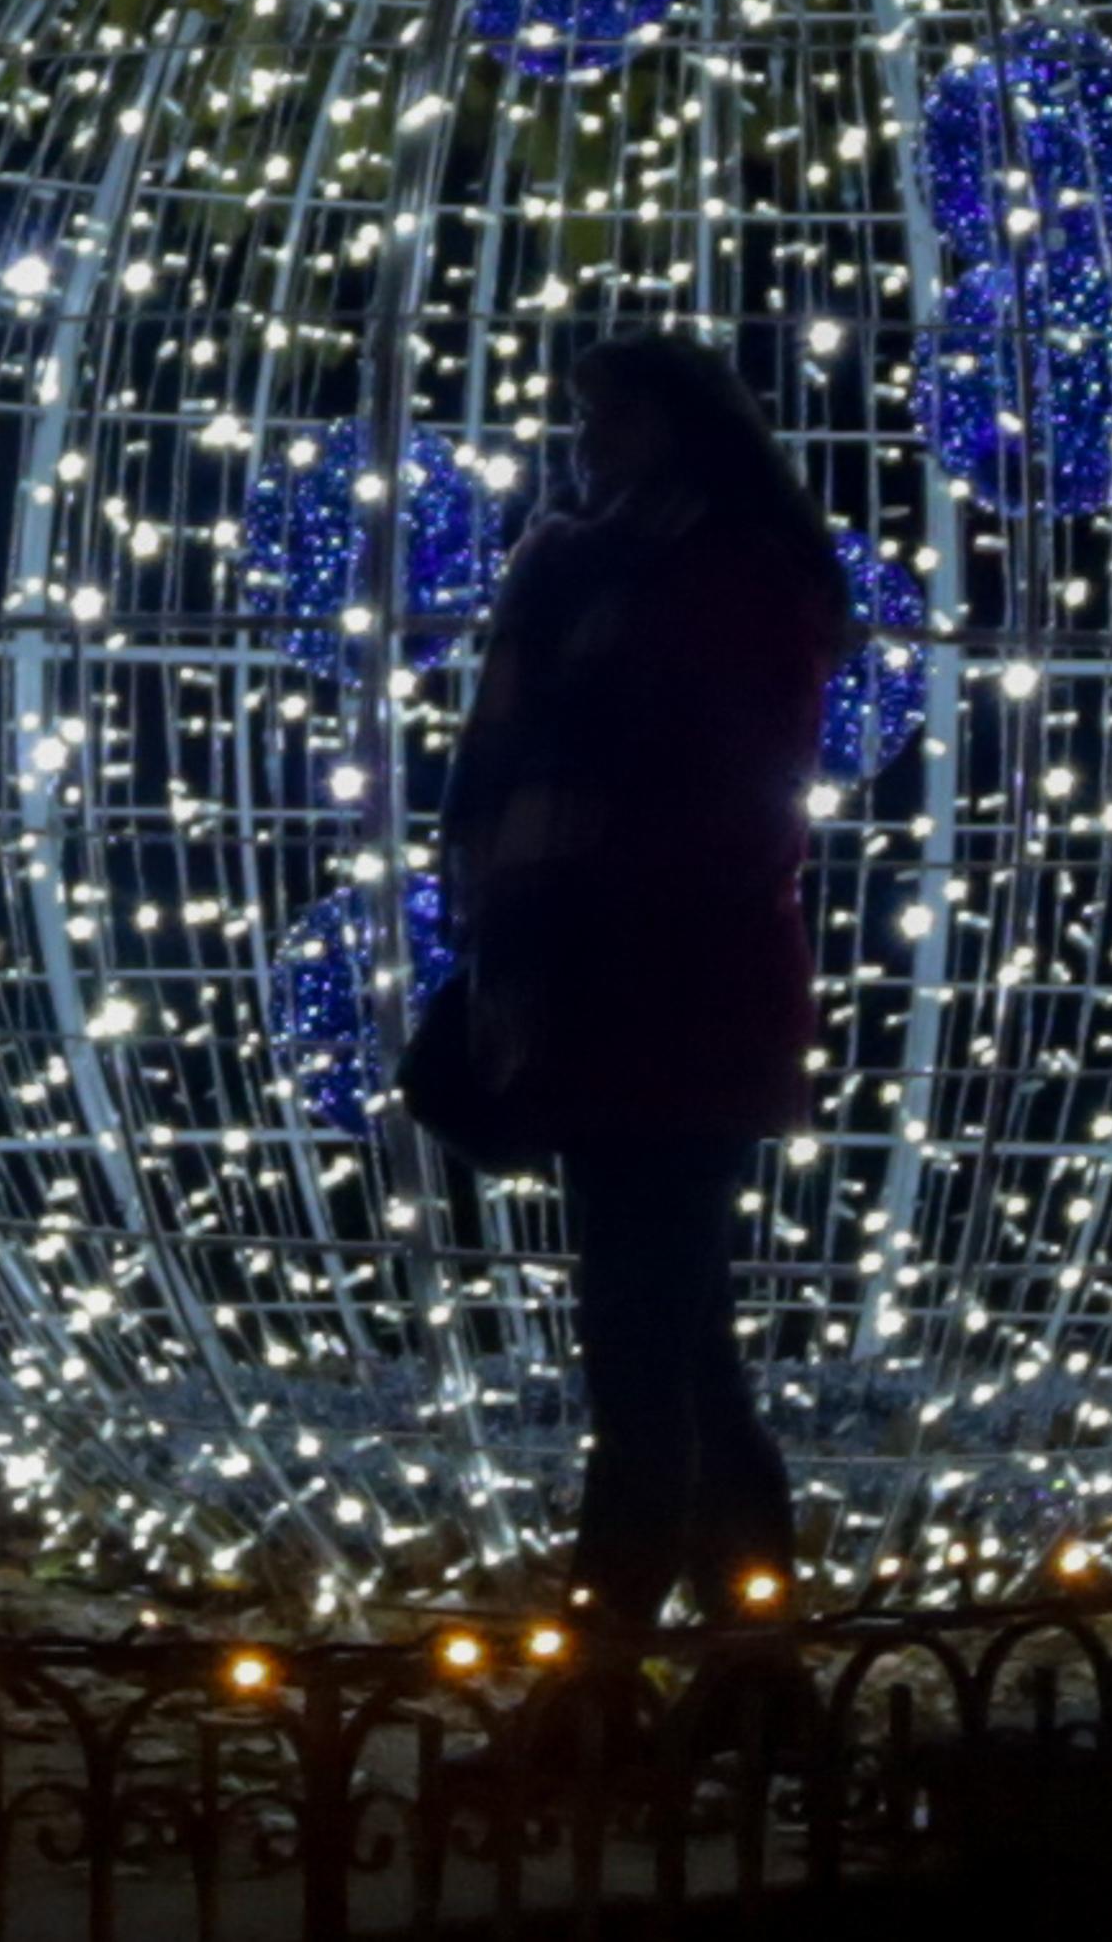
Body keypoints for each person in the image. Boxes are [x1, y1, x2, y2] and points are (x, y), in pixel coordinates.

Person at [441, 333, 850, 1628]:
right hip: (589, 987)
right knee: (680, 1341)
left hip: (685, 996)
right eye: (581, 417)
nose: (585, 443)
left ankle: (609, 1655)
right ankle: (754, 1646)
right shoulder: (576, 565)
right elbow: (500, 763)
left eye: (609, 416)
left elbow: (735, 802)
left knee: (641, 1347)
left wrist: (588, 900)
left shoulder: (736, 579)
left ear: (679, 427)